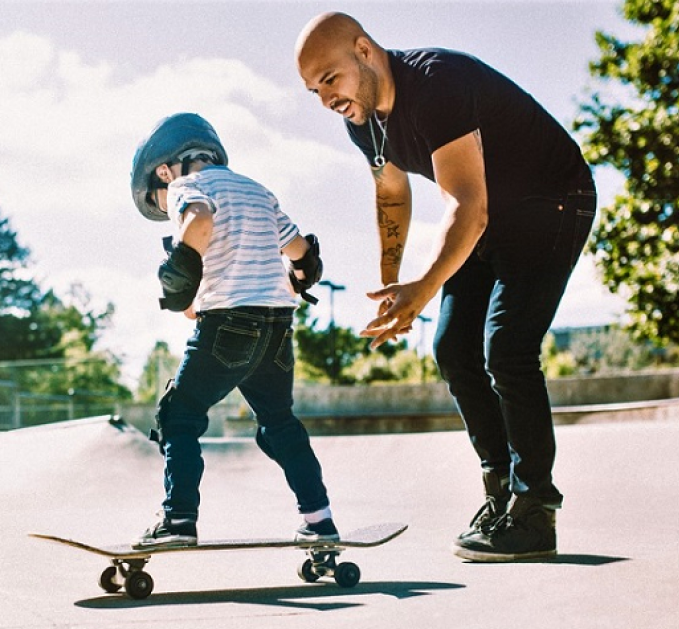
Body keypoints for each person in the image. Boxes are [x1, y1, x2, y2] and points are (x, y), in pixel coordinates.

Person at [295, 13, 597, 561]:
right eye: (314, 90)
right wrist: (395, 286)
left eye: (330, 80)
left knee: (506, 348)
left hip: (552, 199)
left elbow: (467, 206)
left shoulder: (435, 84)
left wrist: (425, 288)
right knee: (452, 348)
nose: (325, 100)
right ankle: (501, 491)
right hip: (491, 217)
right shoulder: (361, 120)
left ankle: (535, 512)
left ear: (364, 50)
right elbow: (391, 193)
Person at [129, 112, 338, 548]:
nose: (166, 206)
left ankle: (179, 520)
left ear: (165, 170)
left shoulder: (188, 186)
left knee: (180, 417)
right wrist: (299, 274)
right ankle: (320, 522)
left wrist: (181, 268)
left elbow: (200, 222)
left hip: (227, 324)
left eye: (160, 197)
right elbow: (302, 255)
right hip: (278, 326)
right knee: (279, 423)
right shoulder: (258, 190)